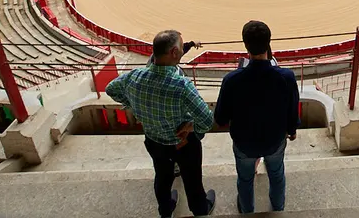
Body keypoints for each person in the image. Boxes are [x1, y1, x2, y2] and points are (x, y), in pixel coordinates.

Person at [106, 30, 216, 218]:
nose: (182, 51)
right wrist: (190, 126)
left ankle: (165, 210)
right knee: (192, 181)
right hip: (184, 144)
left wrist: (134, 104)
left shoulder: (134, 77)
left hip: (154, 141)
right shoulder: (181, 85)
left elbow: (111, 89)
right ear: (174, 52)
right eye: (181, 48)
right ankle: (200, 210)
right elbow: (206, 121)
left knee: (162, 177)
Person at [214, 20, 300, 214]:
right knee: (277, 175)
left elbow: (220, 119)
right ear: (269, 43)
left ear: (246, 46)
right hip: (274, 140)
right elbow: (292, 109)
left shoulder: (232, 80)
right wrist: (292, 130)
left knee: (245, 180)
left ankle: (247, 212)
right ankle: (278, 210)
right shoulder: (286, 77)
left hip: (244, 143)